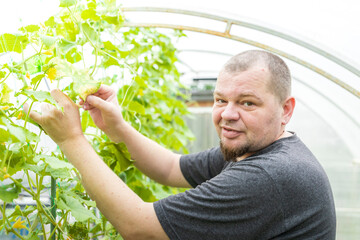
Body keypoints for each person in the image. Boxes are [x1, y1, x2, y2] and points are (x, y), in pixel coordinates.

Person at [24, 50, 336, 240]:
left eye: (247, 103)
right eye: (220, 100)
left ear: (286, 110)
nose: (228, 114)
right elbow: (171, 168)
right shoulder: (254, 150)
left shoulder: (271, 176)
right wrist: (118, 126)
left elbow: (139, 228)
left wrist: (71, 140)